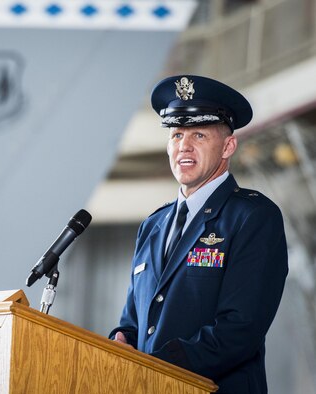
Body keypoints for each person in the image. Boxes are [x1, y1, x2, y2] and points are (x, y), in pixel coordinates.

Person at [110, 75, 288, 393]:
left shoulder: (253, 217)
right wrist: (119, 342)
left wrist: (154, 367)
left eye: (199, 135)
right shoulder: (153, 225)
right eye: (177, 134)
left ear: (228, 146)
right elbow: (134, 322)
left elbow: (239, 330)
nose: (184, 147)